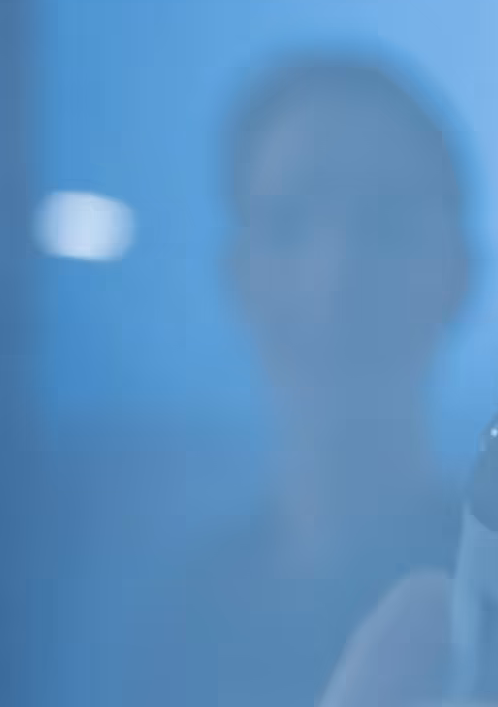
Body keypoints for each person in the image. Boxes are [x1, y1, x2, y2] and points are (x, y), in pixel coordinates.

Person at [127, 55, 470, 707]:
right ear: (238, 275)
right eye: (288, 224)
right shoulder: (180, 623)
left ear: (459, 273)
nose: (334, 275)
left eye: (385, 222)